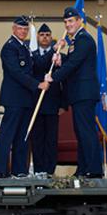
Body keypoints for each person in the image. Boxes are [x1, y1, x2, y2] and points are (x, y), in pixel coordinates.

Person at [45, 7, 102, 178]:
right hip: (78, 93)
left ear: (79, 21)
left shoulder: (83, 39)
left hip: (84, 93)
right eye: (65, 22)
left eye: (70, 21)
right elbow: (71, 61)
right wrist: (60, 58)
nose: (67, 25)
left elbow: (74, 65)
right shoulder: (75, 41)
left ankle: (93, 169)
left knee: (86, 131)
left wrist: (53, 77)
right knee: (81, 131)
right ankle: (83, 169)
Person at [0, 17, 49, 178]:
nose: (23, 31)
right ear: (13, 29)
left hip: (26, 99)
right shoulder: (9, 48)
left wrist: (54, 51)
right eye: (20, 29)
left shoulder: (24, 47)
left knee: (23, 136)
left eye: (25, 29)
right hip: (14, 99)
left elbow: (36, 65)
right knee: (7, 135)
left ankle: (20, 171)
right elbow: (17, 73)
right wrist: (37, 85)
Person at [30, 23, 62, 175]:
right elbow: (39, 65)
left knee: (51, 140)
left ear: (51, 37)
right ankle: (38, 170)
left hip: (52, 103)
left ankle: (49, 171)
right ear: (37, 37)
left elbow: (64, 80)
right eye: (42, 35)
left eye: (47, 35)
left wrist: (63, 103)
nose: (44, 37)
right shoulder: (32, 54)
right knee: (37, 140)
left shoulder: (60, 54)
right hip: (35, 103)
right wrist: (53, 51)